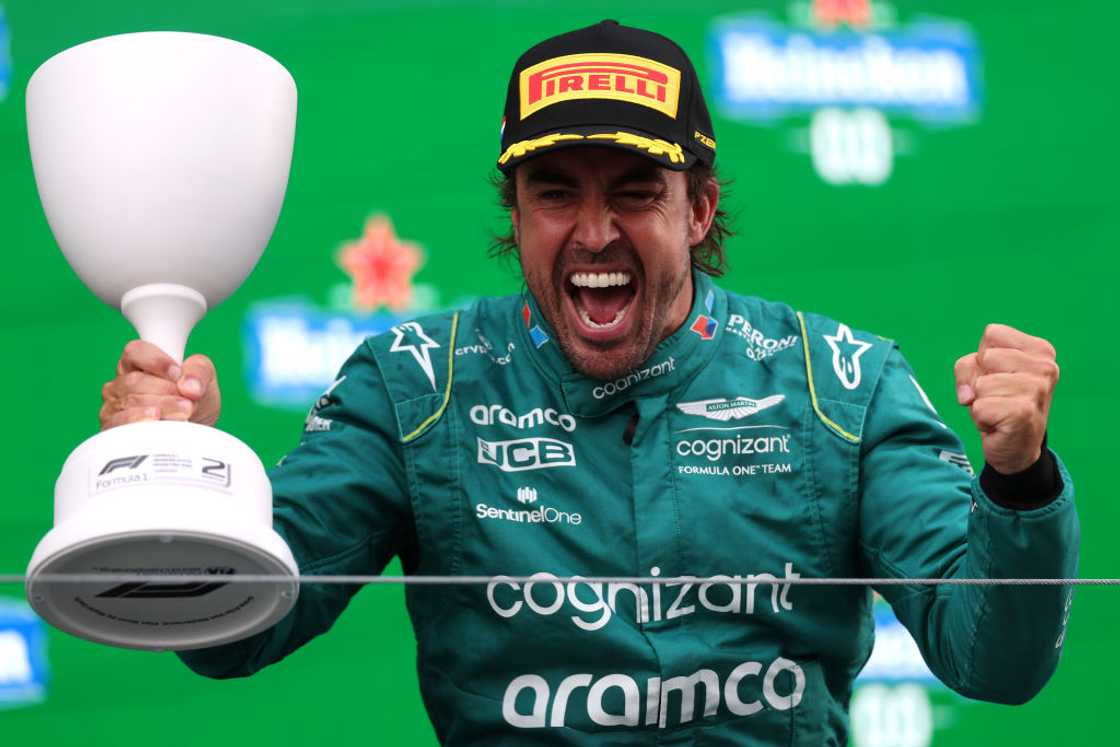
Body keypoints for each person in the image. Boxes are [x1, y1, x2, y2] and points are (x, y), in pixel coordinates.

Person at [98, 20, 1078, 745]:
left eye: (636, 193)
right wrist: (179, 481)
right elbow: (231, 637)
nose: (595, 233)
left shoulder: (840, 383)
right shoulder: (414, 385)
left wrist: (1020, 480)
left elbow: (993, 658)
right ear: (516, 213)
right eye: (556, 193)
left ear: (699, 209)